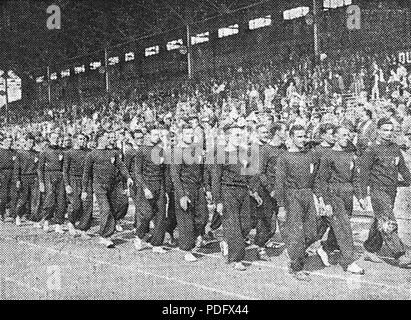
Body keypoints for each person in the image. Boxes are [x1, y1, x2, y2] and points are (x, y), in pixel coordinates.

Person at [357, 118, 411, 268]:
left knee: (380, 219)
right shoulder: (371, 149)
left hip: (391, 190)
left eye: (390, 130)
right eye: (385, 130)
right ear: (378, 131)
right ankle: (400, 254)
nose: (388, 133)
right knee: (388, 221)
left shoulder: (394, 148)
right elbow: (364, 175)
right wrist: (362, 196)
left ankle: (370, 248)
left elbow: (403, 169)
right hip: (378, 191)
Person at [315, 126, 365, 274]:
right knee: (344, 227)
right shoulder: (328, 155)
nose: (346, 138)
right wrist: (327, 201)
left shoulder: (351, 155)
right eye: (343, 135)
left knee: (337, 226)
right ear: (335, 137)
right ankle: (348, 262)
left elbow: (356, 178)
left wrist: (360, 196)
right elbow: (322, 180)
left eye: (348, 136)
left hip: (347, 194)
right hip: (334, 193)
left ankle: (325, 248)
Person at [212, 124, 258, 271]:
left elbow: (249, 174)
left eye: (241, 135)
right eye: (236, 135)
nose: (240, 138)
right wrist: (218, 201)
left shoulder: (244, 153)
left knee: (246, 224)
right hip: (228, 191)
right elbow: (215, 179)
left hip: (243, 191)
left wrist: (254, 191)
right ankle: (237, 259)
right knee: (234, 226)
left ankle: (227, 241)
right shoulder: (221, 155)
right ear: (227, 137)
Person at [275, 125, 318, 281]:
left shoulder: (309, 155)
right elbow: (279, 183)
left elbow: (316, 177)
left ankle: (293, 251)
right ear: (291, 137)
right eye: (299, 136)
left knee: (312, 232)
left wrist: (316, 197)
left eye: (304, 136)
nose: (303, 139)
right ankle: (296, 267)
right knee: (297, 234)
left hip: (307, 194)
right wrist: (281, 206)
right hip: (292, 196)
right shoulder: (284, 157)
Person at [82, 130, 134, 248]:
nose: (110, 139)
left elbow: (121, 166)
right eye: (107, 138)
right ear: (100, 140)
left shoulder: (114, 152)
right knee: (105, 209)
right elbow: (86, 173)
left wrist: (128, 177)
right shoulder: (92, 154)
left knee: (119, 206)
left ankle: (110, 227)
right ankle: (105, 236)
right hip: (99, 185)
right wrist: (84, 190)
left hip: (113, 185)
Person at [170, 124, 208, 262]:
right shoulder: (177, 151)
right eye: (187, 134)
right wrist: (181, 195)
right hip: (184, 188)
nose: (190, 136)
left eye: (191, 133)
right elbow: (174, 175)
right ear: (181, 135)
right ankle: (187, 250)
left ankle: (197, 234)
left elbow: (202, 170)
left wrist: (206, 188)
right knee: (186, 220)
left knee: (203, 217)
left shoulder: (197, 150)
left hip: (197, 188)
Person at [253, 122, 287, 261]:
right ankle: (260, 246)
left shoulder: (284, 148)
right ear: (277, 132)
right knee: (269, 224)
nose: (286, 133)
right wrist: (270, 189)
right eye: (284, 130)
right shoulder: (265, 150)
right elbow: (260, 172)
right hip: (268, 191)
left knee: (286, 221)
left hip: (282, 189)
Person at [133, 127, 168, 254]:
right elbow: (137, 172)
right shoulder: (141, 151)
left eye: (158, 134)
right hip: (147, 186)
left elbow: (164, 171)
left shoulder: (161, 151)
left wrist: (165, 189)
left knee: (160, 216)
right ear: (148, 135)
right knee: (147, 214)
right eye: (154, 134)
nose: (156, 136)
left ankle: (157, 244)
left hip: (159, 185)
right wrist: (145, 188)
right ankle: (139, 236)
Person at [63, 133, 92, 238]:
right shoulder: (68, 153)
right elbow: (65, 170)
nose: (83, 141)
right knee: (75, 205)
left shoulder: (89, 152)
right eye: (80, 139)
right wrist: (67, 184)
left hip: (86, 180)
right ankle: (71, 222)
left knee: (87, 205)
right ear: (75, 140)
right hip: (73, 179)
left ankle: (83, 229)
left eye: (84, 139)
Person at [38, 131, 66, 233]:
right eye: (53, 137)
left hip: (60, 176)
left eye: (57, 138)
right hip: (49, 176)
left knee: (61, 200)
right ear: (50, 139)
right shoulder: (45, 151)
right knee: (49, 199)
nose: (56, 139)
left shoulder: (62, 151)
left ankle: (58, 224)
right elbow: (40, 169)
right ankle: (46, 221)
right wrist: (41, 182)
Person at [13, 133, 42, 226]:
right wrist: (17, 180)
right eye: (29, 142)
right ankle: (17, 216)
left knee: (35, 199)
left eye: (32, 142)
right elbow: (17, 168)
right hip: (24, 177)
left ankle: (34, 219)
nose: (31, 143)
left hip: (34, 178)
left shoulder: (36, 153)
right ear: (25, 142)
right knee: (23, 199)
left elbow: (39, 166)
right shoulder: (20, 153)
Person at [0, 134, 15, 222]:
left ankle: (11, 213)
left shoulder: (13, 151)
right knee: (3, 195)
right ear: (3, 141)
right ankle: (2, 213)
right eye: (7, 141)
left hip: (13, 173)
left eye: (11, 141)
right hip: (3, 174)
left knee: (13, 194)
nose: (9, 143)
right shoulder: (1, 151)